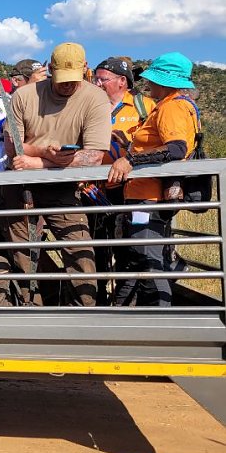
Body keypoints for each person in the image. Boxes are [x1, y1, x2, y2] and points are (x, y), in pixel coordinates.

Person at [4, 42, 111, 307]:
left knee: (79, 250)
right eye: (61, 78)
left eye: (73, 78)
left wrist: (39, 163)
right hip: (21, 185)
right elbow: (13, 148)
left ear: (85, 69)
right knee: (25, 254)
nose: (67, 84)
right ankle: (38, 308)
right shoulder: (24, 96)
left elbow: (94, 156)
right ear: (50, 69)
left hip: (64, 186)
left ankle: (84, 310)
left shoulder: (96, 98)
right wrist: (45, 152)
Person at [107, 52, 200, 307]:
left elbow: (177, 148)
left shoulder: (172, 107)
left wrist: (130, 160)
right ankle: (125, 312)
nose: (148, 84)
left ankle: (161, 317)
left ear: (163, 81)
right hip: (146, 195)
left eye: (152, 79)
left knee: (148, 259)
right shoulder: (174, 104)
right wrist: (129, 144)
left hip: (148, 197)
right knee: (140, 257)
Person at [90, 57, 155, 304]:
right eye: (95, 78)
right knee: (96, 247)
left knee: (130, 248)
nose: (97, 84)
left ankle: (127, 302)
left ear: (122, 81)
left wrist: (127, 147)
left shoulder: (144, 106)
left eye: (102, 79)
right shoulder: (89, 105)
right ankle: (97, 299)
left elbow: (157, 145)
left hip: (132, 190)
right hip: (93, 190)